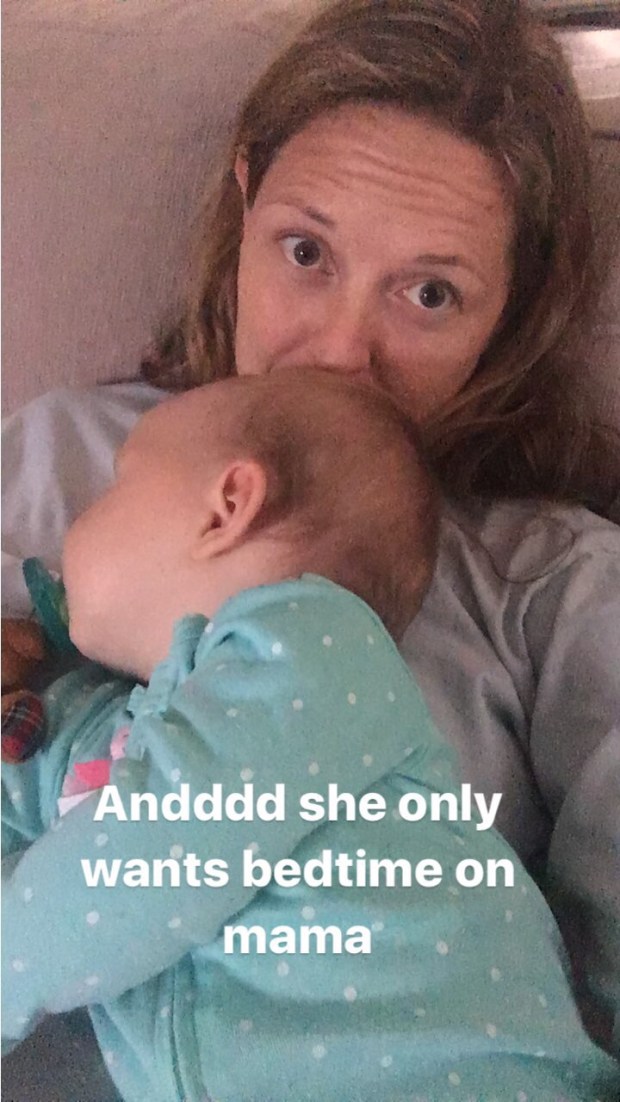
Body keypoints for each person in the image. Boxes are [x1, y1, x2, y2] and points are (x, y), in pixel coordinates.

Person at [2, 0, 619, 1061]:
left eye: (430, 293)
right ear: (244, 200)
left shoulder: (554, 589)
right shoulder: (59, 455)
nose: (340, 351)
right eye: (305, 251)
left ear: (511, 310)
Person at [3, 372, 619, 1102]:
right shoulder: (121, 730)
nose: (74, 522)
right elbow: (57, 805)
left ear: (227, 507)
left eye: (115, 485)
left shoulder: (314, 649)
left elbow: (153, 854)